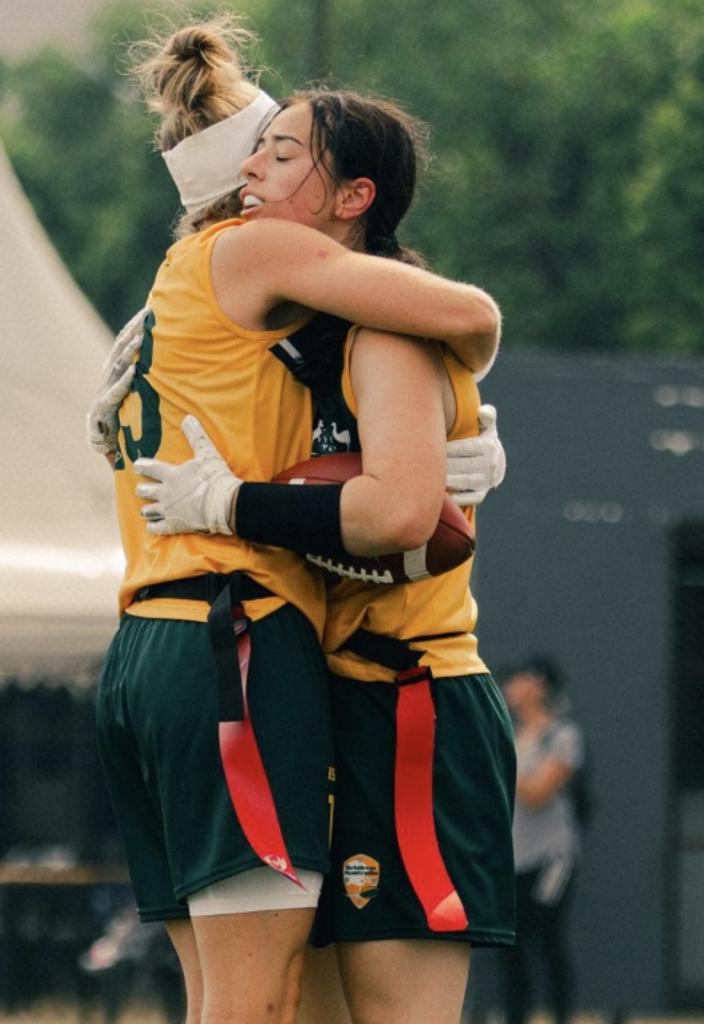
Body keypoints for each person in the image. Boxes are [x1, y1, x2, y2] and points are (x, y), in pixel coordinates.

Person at [88, 19, 506, 1024]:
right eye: (261, 155)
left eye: (287, 157)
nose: (259, 186)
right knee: (258, 1005)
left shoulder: (214, 314)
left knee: (260, 1003)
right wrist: (245, 505)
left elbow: (402, 500)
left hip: (341, 678)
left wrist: (444, 454)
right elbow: (473, 318)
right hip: (242, 644)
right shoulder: (261, 260)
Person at [500, 655, 586, 1024]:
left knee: (548, 940)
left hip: (552, 858)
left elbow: (538, 793)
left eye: (518, 680)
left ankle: (562, 1016)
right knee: (511, 947)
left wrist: (500, 765)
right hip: (513, 859)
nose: (510, 688)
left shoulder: (562, 735)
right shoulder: (508, 736)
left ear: (538, 684)